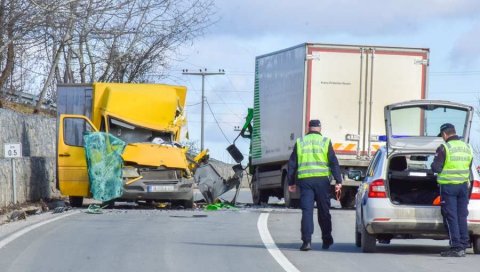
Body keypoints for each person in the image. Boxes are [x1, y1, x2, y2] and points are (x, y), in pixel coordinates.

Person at [287, 119, 342, 251]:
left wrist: (291, 182)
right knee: (324, 210)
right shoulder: (325, 142)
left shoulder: (300, 142)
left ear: (308, 128)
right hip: (322, 181)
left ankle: (306, 242)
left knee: (307, 211)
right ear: (320, 128)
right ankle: (327, 239)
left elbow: (292, 163)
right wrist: (338, 181)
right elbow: (333, 162)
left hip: (305, 182)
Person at [431, 123, 473, 257]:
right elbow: (469, 166)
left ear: (444, 134)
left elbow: (436, 168)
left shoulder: (444, 148)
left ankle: (456, 247)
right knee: (462, 216)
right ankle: (464, 244)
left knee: (451, 217)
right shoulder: (467, 147)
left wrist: (433, 163)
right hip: (463, 187)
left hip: (449, 187)